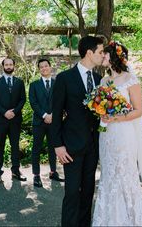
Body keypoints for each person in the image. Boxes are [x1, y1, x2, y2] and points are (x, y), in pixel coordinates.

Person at [92, 41, 142, 226]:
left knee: (124, 173)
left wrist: (118, 118)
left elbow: (138, 111)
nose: (102, 57)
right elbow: (101, 107)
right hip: (106, 134)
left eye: (104, 54)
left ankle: (133, 218)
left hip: (123, 133)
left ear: (114, 56)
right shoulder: (104, 81)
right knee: (108, 174)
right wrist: (103, 119)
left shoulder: (130, 79)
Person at [51, 36, 104, 227]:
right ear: (89, 53)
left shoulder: (99, 80)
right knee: (72, 192)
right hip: (71, 146)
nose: (102, 55)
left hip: (93, 145)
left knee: (88, 191)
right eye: (100, 52)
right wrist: (58, 145)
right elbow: (56, 114)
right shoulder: (64, 78)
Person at [0, 58, 27, 185]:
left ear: (14, 66)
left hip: (15, 120)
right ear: (3, 66)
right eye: (6, 64)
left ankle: (16, 171)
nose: (9, 66)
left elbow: (23, 99)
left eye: (11, 64)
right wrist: (5, 112)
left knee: (15, 146)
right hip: (0, 119)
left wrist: (14, 112)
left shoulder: (19, 82)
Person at [29, 58, 63, 188]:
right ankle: (36, 175)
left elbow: (60, 101)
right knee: (36, 149)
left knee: (53, 147)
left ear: (50, 67)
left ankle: (53, 172)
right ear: (39, 70)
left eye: (46, 66)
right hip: (39, 121)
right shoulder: (34, 85)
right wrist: (44, 115)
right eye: (41, 67)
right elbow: (33, 103)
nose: (44, 68)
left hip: (54, 121)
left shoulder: (58, 83)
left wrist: (53, 115)